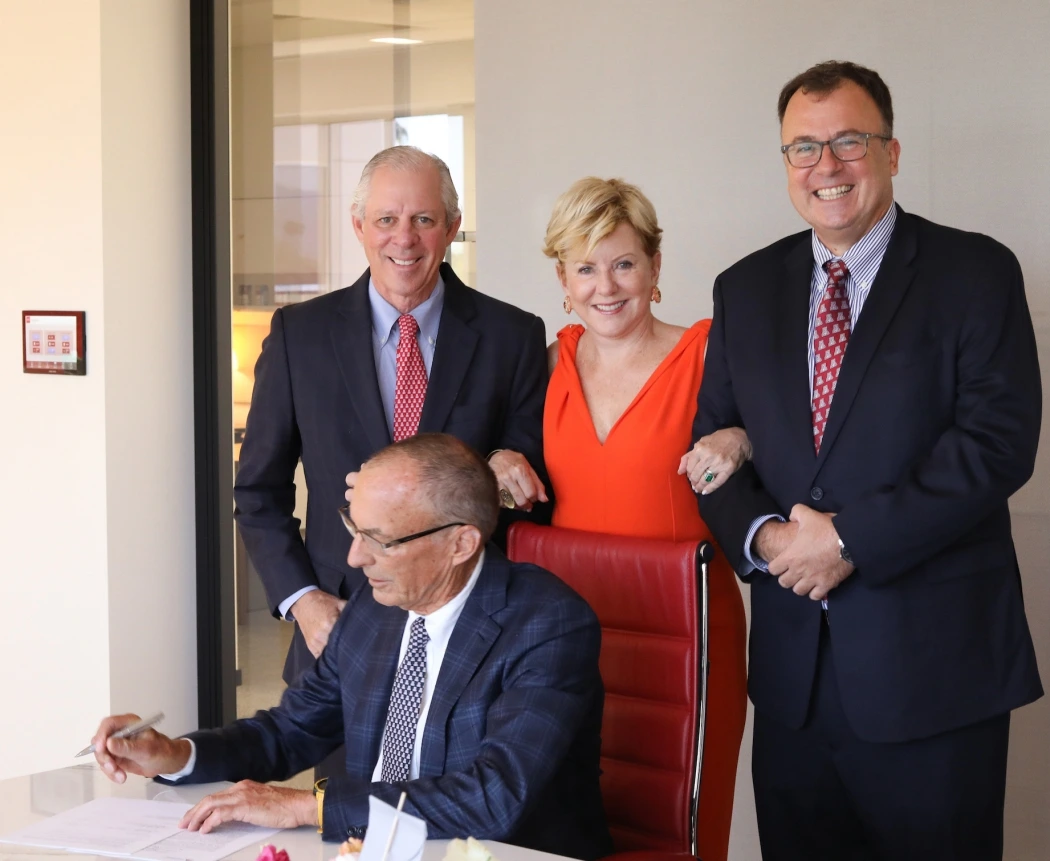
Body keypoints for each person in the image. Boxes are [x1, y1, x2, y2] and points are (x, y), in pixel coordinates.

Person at [694, 60, 1043, 860]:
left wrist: (846, 540)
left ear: (891, 150)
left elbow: (996, 444)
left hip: (934, 675)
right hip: (793, 682)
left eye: (848, 141)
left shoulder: (976, 272)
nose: (826, 166)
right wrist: (771, 541)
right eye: (803, 148)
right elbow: (713, 447)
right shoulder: (743, 287)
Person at [90, 434, 611, 859]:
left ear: (461, 543)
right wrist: (177, 754)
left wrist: (310, 806)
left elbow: (494, 797)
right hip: (371, 850)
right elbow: (290, 730)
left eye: (380, 540)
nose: (356, 558)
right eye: (352, 528)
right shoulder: (375, 604)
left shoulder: (547, 623)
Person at [495, 177, 749, 861]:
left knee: (677, 828)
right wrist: (497, 459)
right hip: (568, 632)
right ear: (563, 278)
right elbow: (499, 459)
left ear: (656, 268)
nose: (606, 285)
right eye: (586, 267)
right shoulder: (547, 363)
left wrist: (739, 438)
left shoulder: (709, 353)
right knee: (572, 820)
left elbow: (776, 439)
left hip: (687, 630)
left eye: (624, 262)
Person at [234, 146, 549, 689]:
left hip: (474, 638)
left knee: (466, 779)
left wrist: (502, 463)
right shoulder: (298, 336)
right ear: (359, 226)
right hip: (336, 631)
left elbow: (533, 476)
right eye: (386, 220)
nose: (404, 239)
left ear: (451, 227)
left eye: (423, 219)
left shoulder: (512, 337)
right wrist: (305, 603)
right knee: (338, 779)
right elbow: (258, 491)